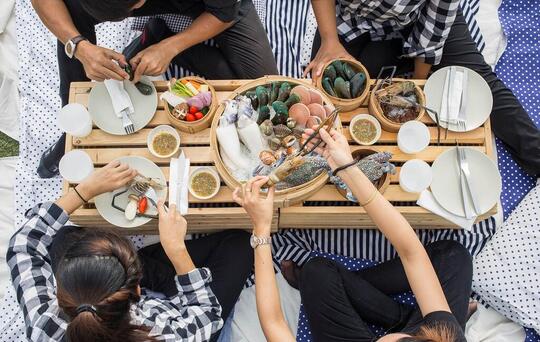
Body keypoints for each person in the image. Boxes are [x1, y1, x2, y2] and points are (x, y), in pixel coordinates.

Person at [234, 128, 472, 342]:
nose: (386, 339)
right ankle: (403, 317)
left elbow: (274, 323)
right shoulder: (444, 337)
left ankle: (394, 313)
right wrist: (346, 168)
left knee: (316, 272)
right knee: (454, 255)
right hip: (424, 325)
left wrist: (261, 228)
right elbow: (411, 252)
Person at [7, 160, 254, 342]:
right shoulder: (161, 334)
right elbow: (208, 318)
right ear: (138, 290)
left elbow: (23, 243)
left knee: (62, 237)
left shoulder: (45, 325)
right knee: (241, 244)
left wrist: (85, 190)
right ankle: (168, 279)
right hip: (182, 306)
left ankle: (158, 274)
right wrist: (177, 250)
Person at [303, 0, 540, 177]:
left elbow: (434, 27)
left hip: (421, 18)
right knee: (324, 91)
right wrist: (330, 41)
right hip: (352, 20)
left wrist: (416, 87)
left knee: (478, 80)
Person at [31, 0, 278, 106]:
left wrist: (169, 48)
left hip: (211, 6)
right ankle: (73, 121)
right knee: (70, 18)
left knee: (265, 89)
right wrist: (79, 47)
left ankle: (161, 37)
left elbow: (224, 14)